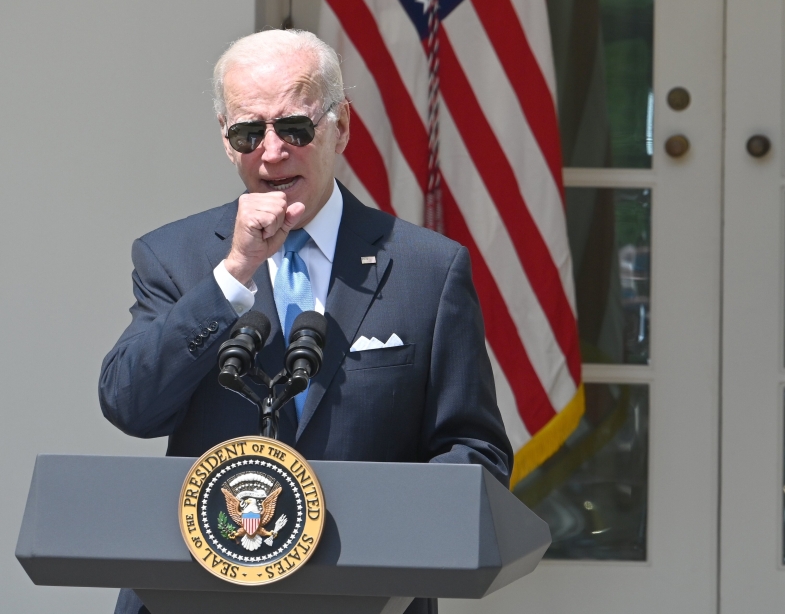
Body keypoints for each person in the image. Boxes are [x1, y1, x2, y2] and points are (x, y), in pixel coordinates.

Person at [99, 30, 511, 614]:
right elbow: (130, 406)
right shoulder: (174, 257)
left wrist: (385, 532)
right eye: (248, 133)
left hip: (368, 596)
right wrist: (233, 274)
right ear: (226, 141)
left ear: (341, 127)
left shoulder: (428, 269)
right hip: (197, 596)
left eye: (294, 127)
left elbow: (475, 450)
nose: (271, 153)